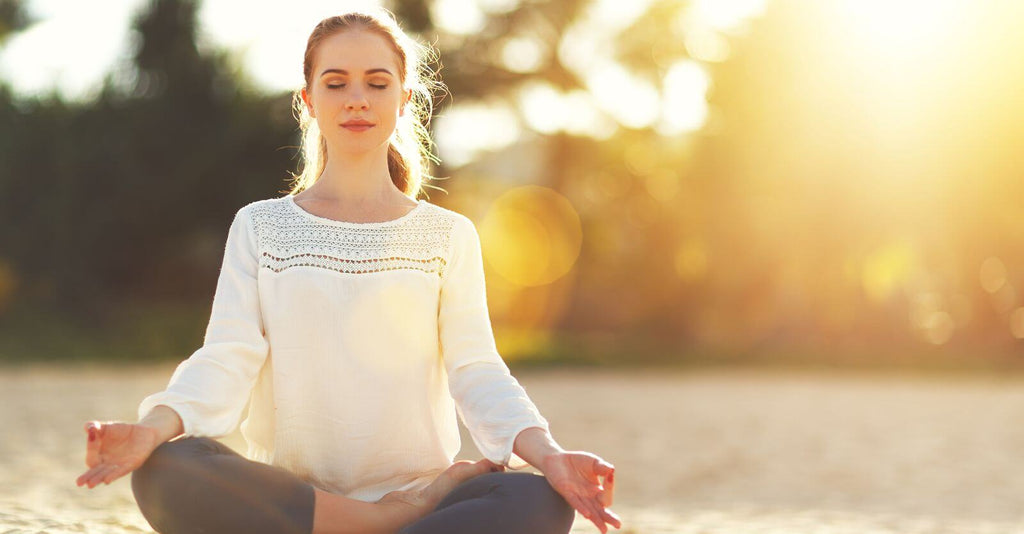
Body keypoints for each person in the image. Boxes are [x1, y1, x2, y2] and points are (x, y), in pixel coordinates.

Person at [75, 9, 620, 534]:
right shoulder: (260, 227)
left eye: (377, 83)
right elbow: (227, 356)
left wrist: (550, 456)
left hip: (419, 495)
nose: (357, 99)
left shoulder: (447, 236)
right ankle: (382, 522)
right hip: (295, 498)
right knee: (168, 468)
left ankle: (383, 519)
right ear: (308, 100)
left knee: (540, 497)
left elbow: (476, 369)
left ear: (405, 99)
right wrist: (150, 431)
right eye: (336, 83)